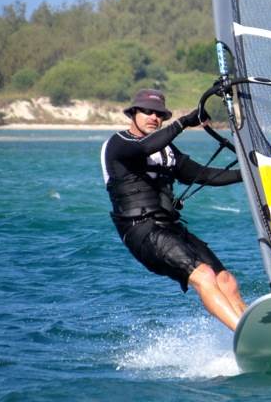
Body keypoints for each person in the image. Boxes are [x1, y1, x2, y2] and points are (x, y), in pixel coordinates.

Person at [101, 88, 246, 330]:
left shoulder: (167, 151)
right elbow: (143, 148)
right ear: (133, 113)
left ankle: (253, 327)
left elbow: (203, 174)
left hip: (170, 228)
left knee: (226, 280)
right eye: (147, 111)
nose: (154, 117)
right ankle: (243, 332)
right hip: (141, 231)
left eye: (159, 114)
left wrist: (248, 174)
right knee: (204, 276)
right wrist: (184, 122)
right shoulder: (119, 144)